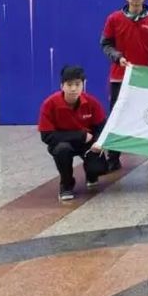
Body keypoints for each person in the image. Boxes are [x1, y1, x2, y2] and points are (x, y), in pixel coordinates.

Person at [100, 0, 148, 172]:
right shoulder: (113, 18)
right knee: (117, 116)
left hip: (146, 79)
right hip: (120, 77)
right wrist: (117, 57)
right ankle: (113, 157)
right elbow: (105, 44)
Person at [38, 66, 106, 201]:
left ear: (83, 85)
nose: (73, 89)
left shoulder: (92, 102)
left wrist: (98, 142)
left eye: (77, 84)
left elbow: (102, 127)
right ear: (62, 86)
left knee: (99, 168)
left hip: (87, 143)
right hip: (63, 143)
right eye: (69, 85)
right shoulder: (49, 104)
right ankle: (66, 183)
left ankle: (91, 174)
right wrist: (80, 135)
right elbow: (46, 136)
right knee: (62, 150)